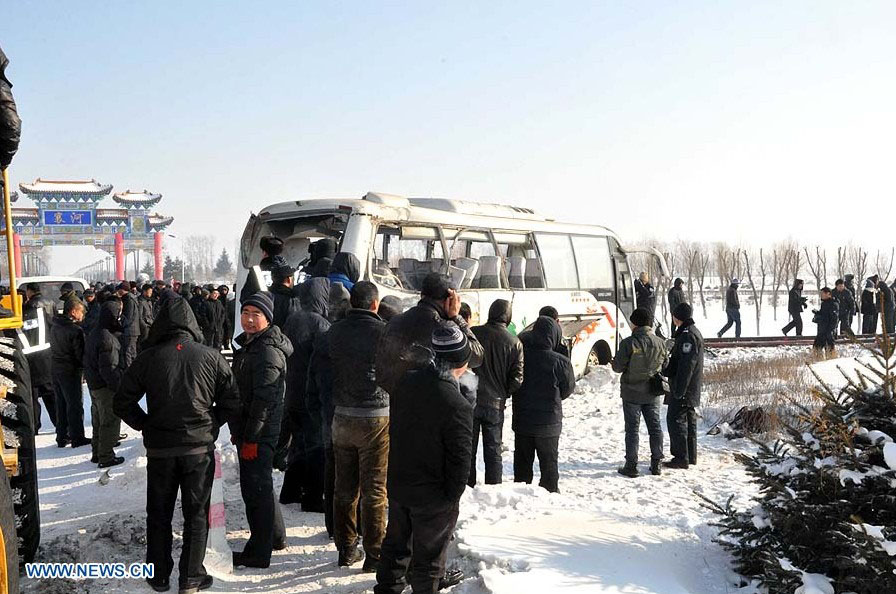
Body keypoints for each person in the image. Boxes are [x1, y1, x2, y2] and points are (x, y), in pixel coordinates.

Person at [115, 292, 240, 594]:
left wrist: (146, 424)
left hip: (161, 450)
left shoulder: (148, 358)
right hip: (198, 449)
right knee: (196, 514)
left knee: (158, 513)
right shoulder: (210, 356)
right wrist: (211, 424)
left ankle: (158, 576)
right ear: (192, 322)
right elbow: (232, 399)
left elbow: (122, 401)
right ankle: (191, 577)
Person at [374, 325, 474, 594]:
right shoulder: (457, 404)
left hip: (399, 484)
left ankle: (387, 589)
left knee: (395, 546)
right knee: (428, 560)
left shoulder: (407, 382)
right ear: (461, 364)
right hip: (433, 496)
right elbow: (461, 459)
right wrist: (451, 497)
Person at [328, 281, 389, 570]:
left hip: (341, 415)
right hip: (376, 416)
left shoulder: (334, 331)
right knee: (374, 489)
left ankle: (346, 550)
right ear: (375, 304)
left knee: (344, 488)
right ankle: (375, 553)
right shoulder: (384, 332)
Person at [231, 292, 293, 568]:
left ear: (268, 318)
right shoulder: (250, 345)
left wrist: (252, 438)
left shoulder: (267, 351)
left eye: (256, 315)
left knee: (255, 490)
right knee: (261, 486)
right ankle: (275, 537)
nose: (249, 320)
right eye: (246, 314)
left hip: (260, 431)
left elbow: (264, 401)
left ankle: (258, 552)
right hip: (249, 428)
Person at [376, 273, 483, 396]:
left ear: (422, 295)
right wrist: (456, 317)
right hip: (434, 404)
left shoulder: (394, 322)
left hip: (399, 404)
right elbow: (476, 356)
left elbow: (381, 370)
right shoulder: (445, 329)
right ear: (450, 300)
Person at [279, 277, 330, 510]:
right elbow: (323, 364)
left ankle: (289, 491)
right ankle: (312, 497)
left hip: (291, 393)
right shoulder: (321, 325)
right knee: (316, 446)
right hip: (310, 396)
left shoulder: (293, 319)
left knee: (297, 443)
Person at [512, 316, 575, 493]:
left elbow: (514, 382)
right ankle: (550, 498)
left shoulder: (521, 356)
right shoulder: (561, 362)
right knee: (549, 466)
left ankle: (520, 499)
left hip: (523, 421)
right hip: (549, 424)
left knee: (522, 468)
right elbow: (567, 389)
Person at [468, 299, 524, 487]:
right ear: (508, 317)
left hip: (471, 399)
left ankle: (467, 486)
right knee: (494, 450)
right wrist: (504, 392)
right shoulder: (514, 342)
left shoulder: (474, 333)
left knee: (468, 449)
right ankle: (494, 488)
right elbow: (517, 378)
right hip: (495, 403)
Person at [612, 308, 668, 478]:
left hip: (631, 393)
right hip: (652, 392)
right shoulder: (660, 342)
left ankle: (631, 465)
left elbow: (618, 367)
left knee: (632, 430)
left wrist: (615, 362)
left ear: (634, 323)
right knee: (655, 427)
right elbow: (665, 366)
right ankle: (656, 463)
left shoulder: (628, 343)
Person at [83, 300, 125, 467]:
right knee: (109, 422)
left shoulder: (95, 332)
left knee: (98, 421)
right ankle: (106, 457)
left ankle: (97, 453)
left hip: (94, 385)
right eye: (119, 315)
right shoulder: (108, 339)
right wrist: (118, 388)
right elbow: (109, 369)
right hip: (105, 387)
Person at [664, 303, 704, 469]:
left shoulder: (688, 336)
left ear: (677, 317)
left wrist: (679, 391)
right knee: (688, 420)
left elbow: (686, 366)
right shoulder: (690, 332)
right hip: (690, 388)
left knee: (675, 420)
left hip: (684, 388)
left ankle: (681, 457)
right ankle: (690, 455)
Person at [49, 298, 88, 450]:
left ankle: (62, 436)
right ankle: (77, 436)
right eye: (81, 311)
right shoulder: (75, 330)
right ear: (73, 311)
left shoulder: (55, 325)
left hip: (56, 368)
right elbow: (79, 355)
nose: (83, 314)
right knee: (74, 404)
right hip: (70, 370)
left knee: (61, 403)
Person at [22, 282, 58, 435]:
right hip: (46, 354)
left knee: (32, 396)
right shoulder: (49, 304)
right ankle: (59, 423)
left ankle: (34, 426)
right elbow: (53, 324)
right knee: (50, 393)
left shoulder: (23, 311)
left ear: (29, 292)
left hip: (28, 357)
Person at [115, 281, 141, 368]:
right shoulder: (131, 298)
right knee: (132, 353)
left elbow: (128, 317)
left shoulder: (128, 300)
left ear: (123, 290)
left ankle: (129, 372)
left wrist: (120, 321)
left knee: (128, 353)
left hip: (130, 331)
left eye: (119, 290)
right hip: (133, 330)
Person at [813, 288, 839, 354]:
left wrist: (830, 331)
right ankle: (817, 361)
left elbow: (834, 319)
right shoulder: (824, 303)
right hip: (822, 330)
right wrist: (817, 314)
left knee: (829, 350)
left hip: (828, 331)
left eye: (822, 293)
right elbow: (824, 314)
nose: (821, 295)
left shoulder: (833, 304)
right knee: (816, 349)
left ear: (828, 294)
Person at [137, 283, 155, 349]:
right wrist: (144, 327)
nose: (150, 294)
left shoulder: (149, 301)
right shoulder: (140, 301)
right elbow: (139, 316)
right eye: (149, 292)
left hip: (151, 325)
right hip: (145, 327)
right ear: (144, 291)